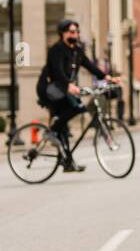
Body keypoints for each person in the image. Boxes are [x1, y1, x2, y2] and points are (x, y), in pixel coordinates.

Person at [38, 19, 118, 173]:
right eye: (71, 32)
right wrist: (69, 86)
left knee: (65, 125)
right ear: (63, 34)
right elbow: (58, 71)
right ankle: (51, 132)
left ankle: (67, 162)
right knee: (77, 107)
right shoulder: (56, 50)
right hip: (50, 89)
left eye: (77, 32)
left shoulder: (77, 51)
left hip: (64, 90)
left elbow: (90, 66)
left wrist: (107, 77)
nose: (75, 35)